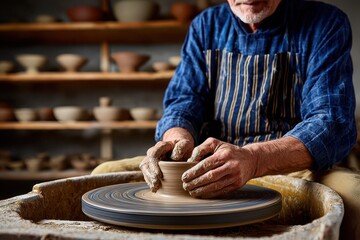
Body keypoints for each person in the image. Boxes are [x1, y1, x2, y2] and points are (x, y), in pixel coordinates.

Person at [137, 0, 359, 238]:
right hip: (211, 166)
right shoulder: (206, 25)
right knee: (104, 172)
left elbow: (331, 121)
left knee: (355, 197)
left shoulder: (325, 23)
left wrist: (253, 159)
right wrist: (175, 138)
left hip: (294, 166)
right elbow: (183, 101)